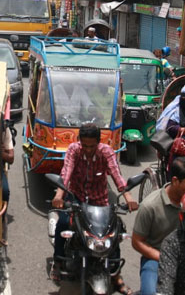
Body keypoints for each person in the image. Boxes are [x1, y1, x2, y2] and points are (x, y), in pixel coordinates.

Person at [50, 123, 138, 290]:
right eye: (85, 145)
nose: (88, 149)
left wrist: (129, 198)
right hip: (76, 198)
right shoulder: (74, 150)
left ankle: (115, 275)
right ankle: (58, 261)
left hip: (99, 200)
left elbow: (117, 176)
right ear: (79, 141)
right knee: (62, 223)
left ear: (98, 142)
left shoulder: (106, 152)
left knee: (113, 230)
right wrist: (58, 197)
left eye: (92, 146)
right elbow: (66, 174)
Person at [132, 157, 185, 295]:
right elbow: (137, 242)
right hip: (156, 260)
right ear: (176, 181)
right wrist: (165, 257)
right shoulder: (150, 206)